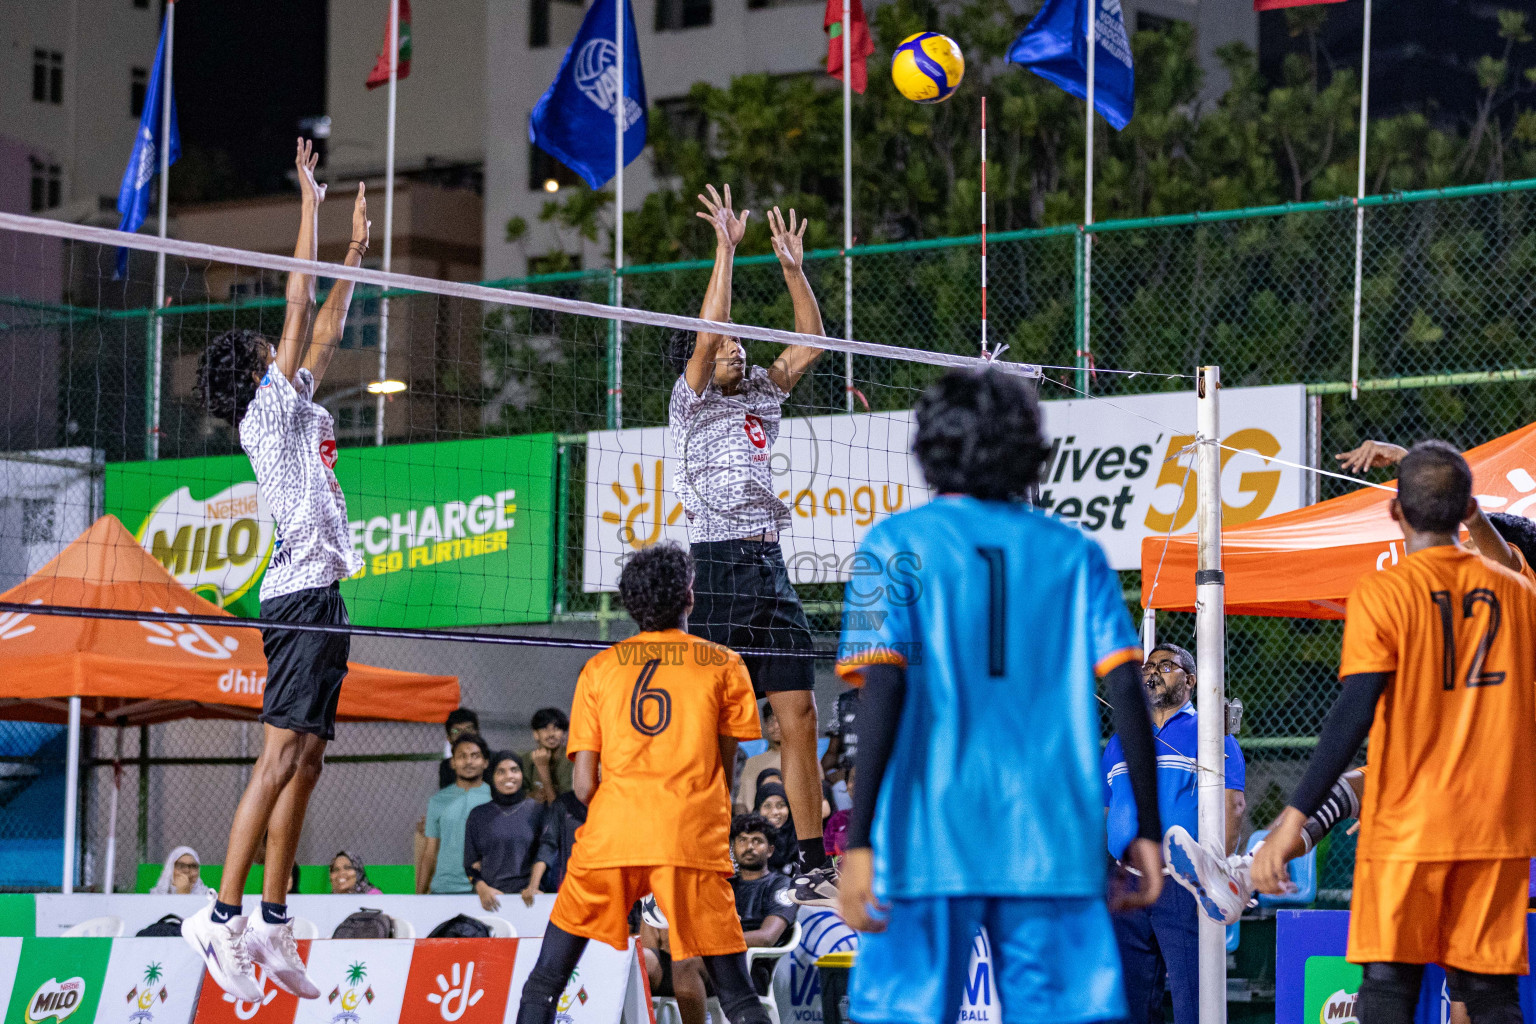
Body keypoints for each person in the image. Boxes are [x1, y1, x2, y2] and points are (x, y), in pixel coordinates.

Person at [835, 367, 1164, 1024]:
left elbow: (885, 689)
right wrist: (1147, 830)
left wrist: (860, 839)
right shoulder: (1076, 552)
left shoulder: (891, 545)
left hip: (927, 835)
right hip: (1050, 838)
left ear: (929, 448)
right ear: (1028, 450)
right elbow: (1128, 688)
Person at [1253, 441, 1536, 1024]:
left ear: (1395, 513)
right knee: (1490, 998)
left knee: (1387, 992)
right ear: (1466, 513)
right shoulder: (1520, 597)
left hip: (1409, 826)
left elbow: (1352, 714)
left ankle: (1242, 871)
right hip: (1493, 829)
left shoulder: (1384, 593)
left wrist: (1293, 817)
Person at [181, 140, 370, 1003]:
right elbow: (297, 301)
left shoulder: (290, 402)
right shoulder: (266, 411)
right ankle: (218, 918)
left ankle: (274, 914)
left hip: (323, 592)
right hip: (296, 593)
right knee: (279, 753)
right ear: (255, 368)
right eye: (268, 343)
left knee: (312, 760)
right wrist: (309, 206)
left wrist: (356, 259)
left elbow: (323, 328)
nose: (281, 341)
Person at [512, 541, 772, 1024]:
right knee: (737, 997)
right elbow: (724, 768)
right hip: (689, 835)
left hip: (613, 834)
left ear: (632, 605)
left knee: (545, 983)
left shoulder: (599, 670)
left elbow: (585, 785)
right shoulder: (725, 664)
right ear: (690, 596)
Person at [667, 187, 832, 896]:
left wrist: (793, 269)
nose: (737, 347)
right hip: (717, 563)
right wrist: (726, 248)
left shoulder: (761, 392)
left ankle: (810, 861)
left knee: (797, 713)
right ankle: (682, 853)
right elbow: (707, 334)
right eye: (728, 343)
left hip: (768, 562)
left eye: (740, 342)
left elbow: (812, 344)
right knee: (710, 728)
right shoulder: (693, 398)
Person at [1103, 642, 1246, 1024]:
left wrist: (1216, 870)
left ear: (1192, 680)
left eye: (1166, 666)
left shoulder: (1211, 734)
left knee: (1191, 998)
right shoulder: (1122, 741)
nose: (1153, 672)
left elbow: (1233, 805)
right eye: (1149, 666)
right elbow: (1106, 809)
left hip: (1181, 882)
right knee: (1129, 1003)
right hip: (1127, 882)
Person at [466, 752, 546, 911]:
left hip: (530, 899)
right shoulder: (478, 815)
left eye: (514, 770)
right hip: (491, 899)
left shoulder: (537, 810)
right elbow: (470, 863)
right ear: (492, 777)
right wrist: (482, 889)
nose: (509, 776)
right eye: (500, 771)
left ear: (522, 774)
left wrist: (533, 887)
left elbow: (544, 852)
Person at [729, 813, 800, 991]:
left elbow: (767, 937)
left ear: (770, 850)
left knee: (689, 965)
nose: (749, 847)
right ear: (733, 847)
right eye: (742, 840)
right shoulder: (725, 886)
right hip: (718, 962)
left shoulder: (781, 885)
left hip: (753, 968)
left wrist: (714, 944)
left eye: (757, 841)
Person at [420, 733, 492, 894]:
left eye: (475, 756)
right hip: (444, 888)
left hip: (485, 889)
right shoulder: (437, 800)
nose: (468, 762)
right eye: (462, 756)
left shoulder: (496, 798)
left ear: (485, 763)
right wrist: (418, 896)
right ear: (452, 763)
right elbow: (430, 852)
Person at [530, 789, 587, 896]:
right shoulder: (564, 803)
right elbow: (548, 844)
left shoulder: (614, 800)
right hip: (573, 889)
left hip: (609, 886)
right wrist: (533, 885)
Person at [735, 702, 781, 813]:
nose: (775, 727)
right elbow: (740, 803)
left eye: (779, 721)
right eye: (770, 721)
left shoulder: (805, 761)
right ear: (764, 725)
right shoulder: (752, 763)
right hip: (757, 825)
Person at [522, 708, 572, 805]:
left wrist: (543, 768)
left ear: (565, 734)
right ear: (535, 734)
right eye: (545, 728)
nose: (551, 734)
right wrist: (531, 796)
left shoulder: (573, 760)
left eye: (556, 728)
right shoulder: (525, 760)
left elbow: (560, 809)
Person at [753, 781, 798, 876]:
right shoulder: (751, 840)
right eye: (767, 806)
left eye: (780, 805)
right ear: (758, 809)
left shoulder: (800, 836)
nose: (774, 812)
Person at [437, 708, 481, 790]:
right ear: (449, 739)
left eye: (469, 729)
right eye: (456, 731)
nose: (464, 735)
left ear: (477, 733)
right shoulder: (447, 766)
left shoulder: (495, 761)